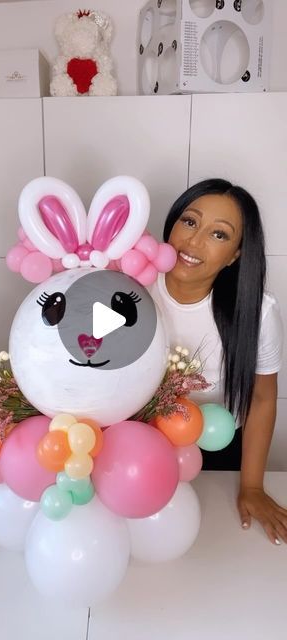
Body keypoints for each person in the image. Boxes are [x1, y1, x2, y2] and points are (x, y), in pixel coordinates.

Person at [151, 178, 286, 545]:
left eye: (219, 234)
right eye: (190, 222)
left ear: (236, 254)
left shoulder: (257, 313)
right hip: (141, 445)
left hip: (216, 447)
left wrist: (253, 486)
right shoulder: (131, 289)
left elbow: (261, 399)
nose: (193, 243)